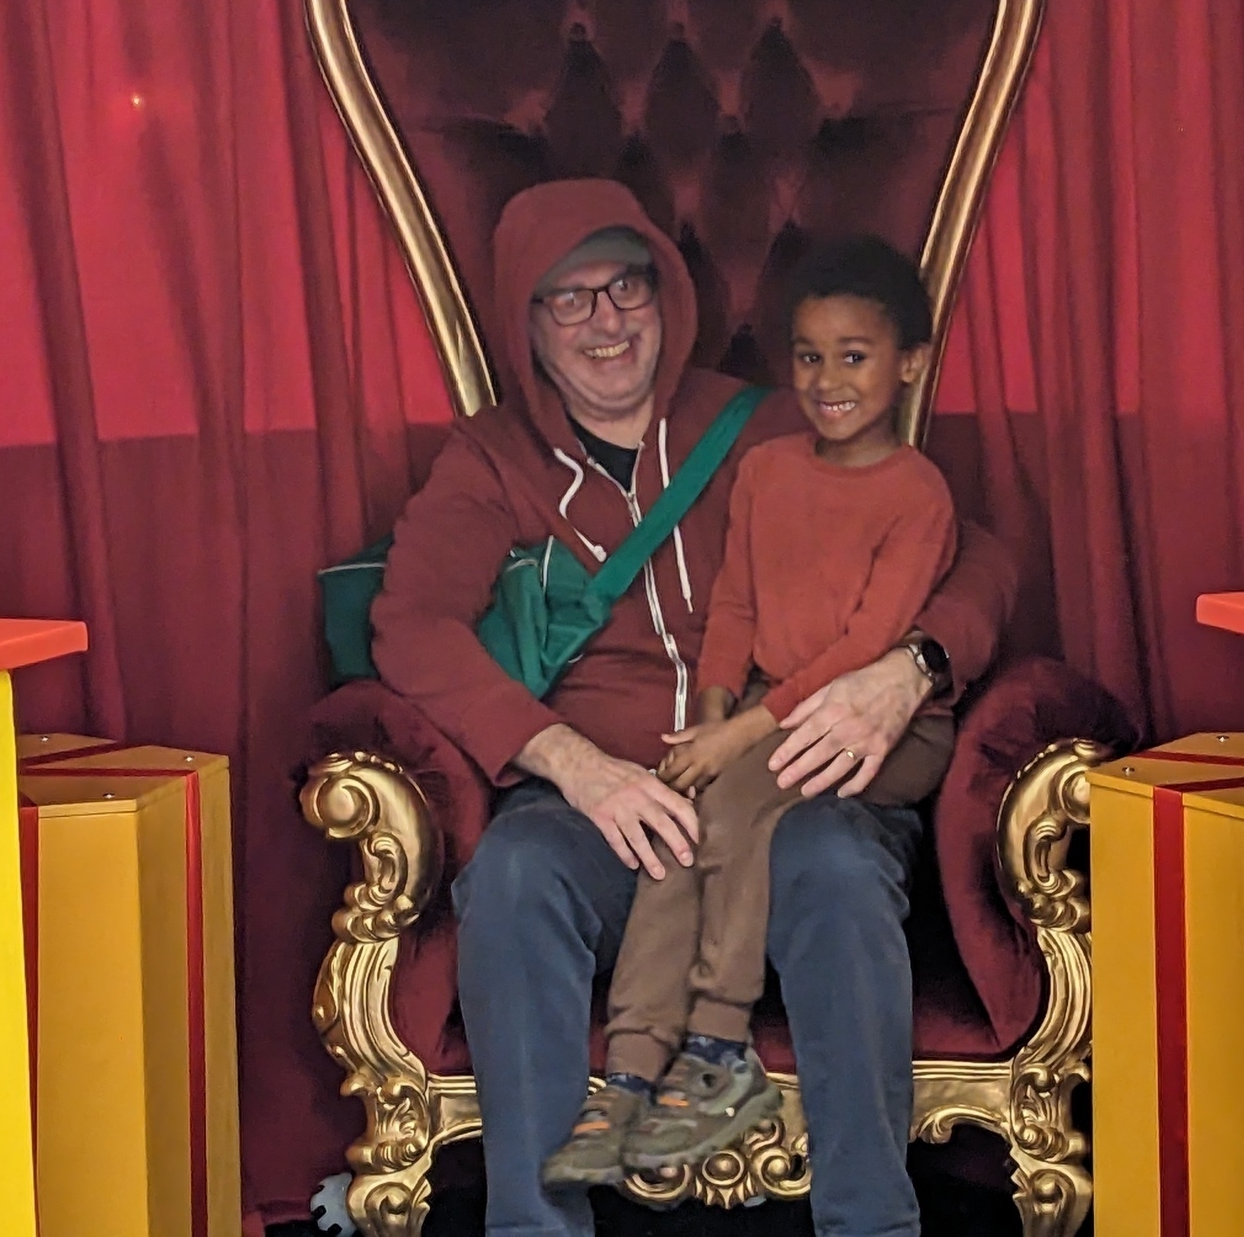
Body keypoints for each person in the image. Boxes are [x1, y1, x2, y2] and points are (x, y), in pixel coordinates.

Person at [371, 178, 1016, 1237]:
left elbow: (977, 553)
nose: (604, 322)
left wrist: (910, 668)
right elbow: (411, 626)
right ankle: (536, 1228)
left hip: (798, 785)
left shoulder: (764, 423)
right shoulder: (490, 459)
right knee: (519, 871)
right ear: (524, 323)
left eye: (624, 287)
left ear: (666, 293)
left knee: (838, 862)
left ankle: (872, 1224)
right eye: (567, 300)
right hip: (606, 807)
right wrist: (572, 763)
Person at [539, 236, 960, 1186]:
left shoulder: (917, 492)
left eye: (855, 357)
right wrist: (714, 714)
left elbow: (866, 647)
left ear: (911, 363)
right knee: (677, 818)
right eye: (809, 357)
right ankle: (634, 1073)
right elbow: (731, 604)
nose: (828, 380)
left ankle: (722, 1047)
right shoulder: (769, 469)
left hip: (880, 725)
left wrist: (741, 738)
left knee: (726, 812)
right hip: (767, 711)